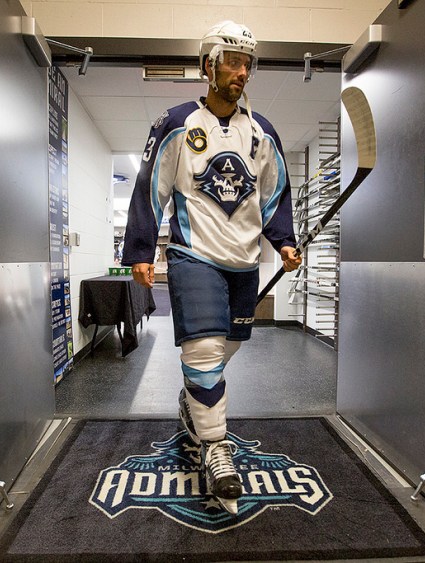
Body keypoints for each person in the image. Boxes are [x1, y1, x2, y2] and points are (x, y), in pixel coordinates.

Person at [121, 20, 301, 515]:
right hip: (193, 255)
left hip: (244, 261)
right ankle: (216, 448)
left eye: (247, 64)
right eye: (232, 61)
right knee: (203, 349)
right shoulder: (177, 123)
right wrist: (141, 250)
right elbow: (151, 185)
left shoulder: (262, 132)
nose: (241, 72)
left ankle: (193, 403)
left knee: (227, 348)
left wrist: (284, 241)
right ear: (209, 65)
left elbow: (275, 195)